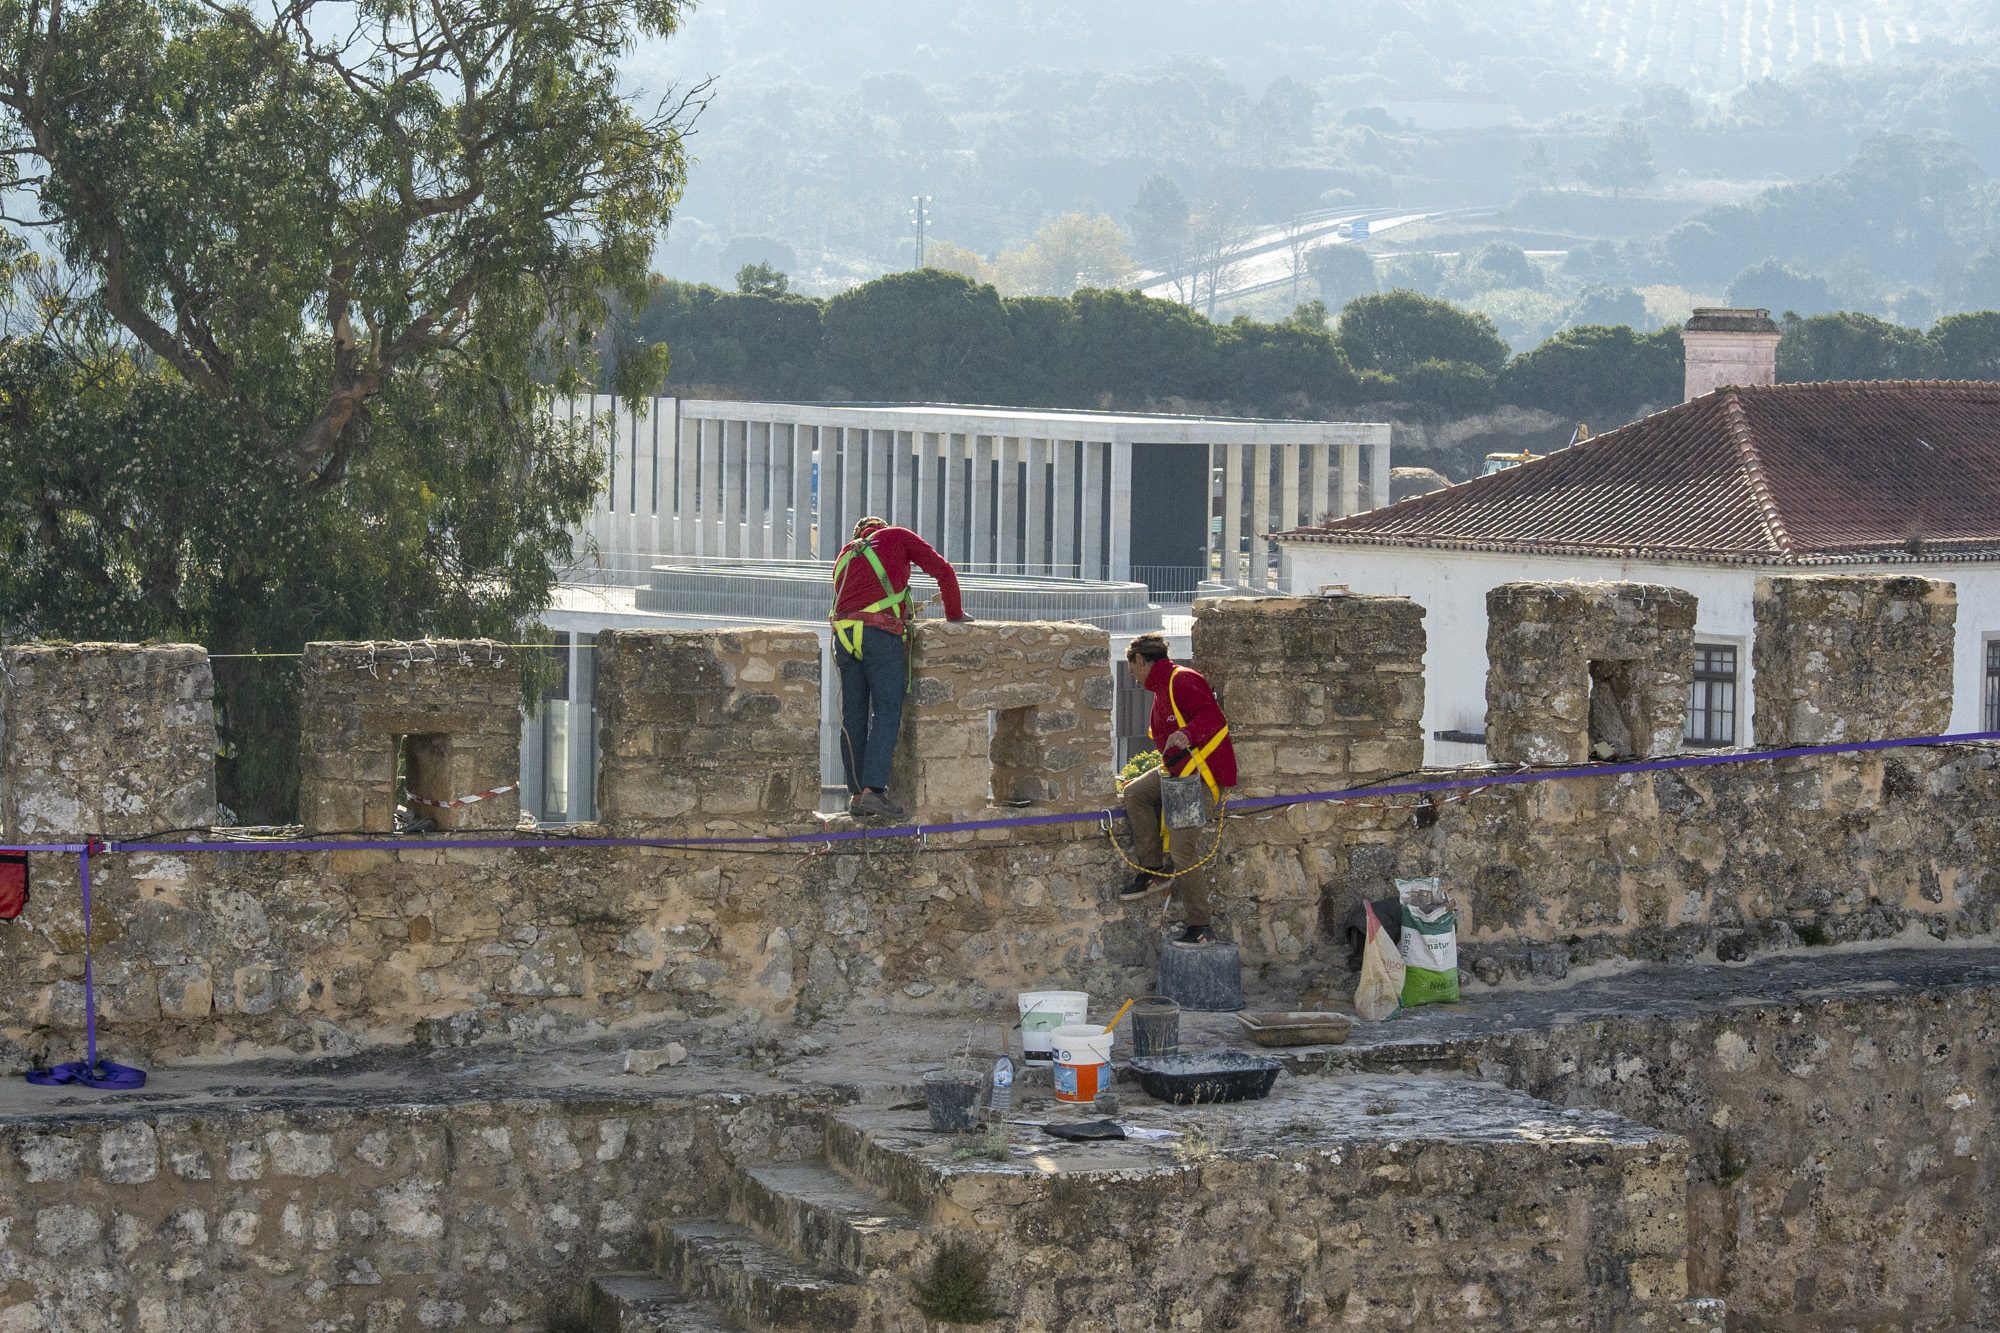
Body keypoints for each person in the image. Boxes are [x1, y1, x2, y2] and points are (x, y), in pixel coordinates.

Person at [830, 515, 970, 817]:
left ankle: (856, 795)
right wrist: (954, 613)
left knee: (853, 715)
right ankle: (874, 792)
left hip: (844, 637)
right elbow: (943, 570)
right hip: (878, 635)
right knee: (887, 710)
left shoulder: (846, 555)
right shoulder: (896, 537)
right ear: (881, 529)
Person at [1115, 633, 1236, 946]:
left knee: (1183, 850)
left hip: (1199, 777)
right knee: (1135, 794)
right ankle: (1153, 868)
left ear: (1141, 661)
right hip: (1177, 771)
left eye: (1133, 671)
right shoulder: (1162, 689)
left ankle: (1201, 925)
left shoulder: (1181, 680)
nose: (1135, 678)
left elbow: (1213, 717)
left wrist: (1186, 733)